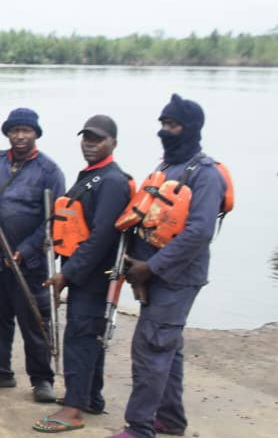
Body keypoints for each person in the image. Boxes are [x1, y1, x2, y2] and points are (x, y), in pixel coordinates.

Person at [107, 94, 226, 438]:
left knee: (151, 348)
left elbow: (199, 233)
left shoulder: (205, 174)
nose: (165, 131)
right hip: (151, 273)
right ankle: (171, 419)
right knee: (166, 348)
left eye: (171, 125)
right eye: (162, 124)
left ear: (189, 129)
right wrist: (134, 264)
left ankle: (140, 428)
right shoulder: (165, 168)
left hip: (177, 277)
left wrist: (152, 267)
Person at [32, 115, 132, 433]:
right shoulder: (91, 175)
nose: (90, 143)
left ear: (113, 143)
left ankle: (73, 408)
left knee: (80, 337)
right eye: (86, 137)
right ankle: (90, 397)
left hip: (94, 274)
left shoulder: (112, 181)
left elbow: (102, 236)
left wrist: (67, 275)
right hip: (82, 271)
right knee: (88, 337)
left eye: (98, 138)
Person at [0, 107, 65, 402]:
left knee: (34, 322)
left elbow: (54, 220)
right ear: (8, 133)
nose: (20, 136)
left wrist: (26, 250)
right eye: (15, 131)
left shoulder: (50, 171)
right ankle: (0, 372)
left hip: (30, 264)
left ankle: (41, 379)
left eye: (26, 131)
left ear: (35, 134)